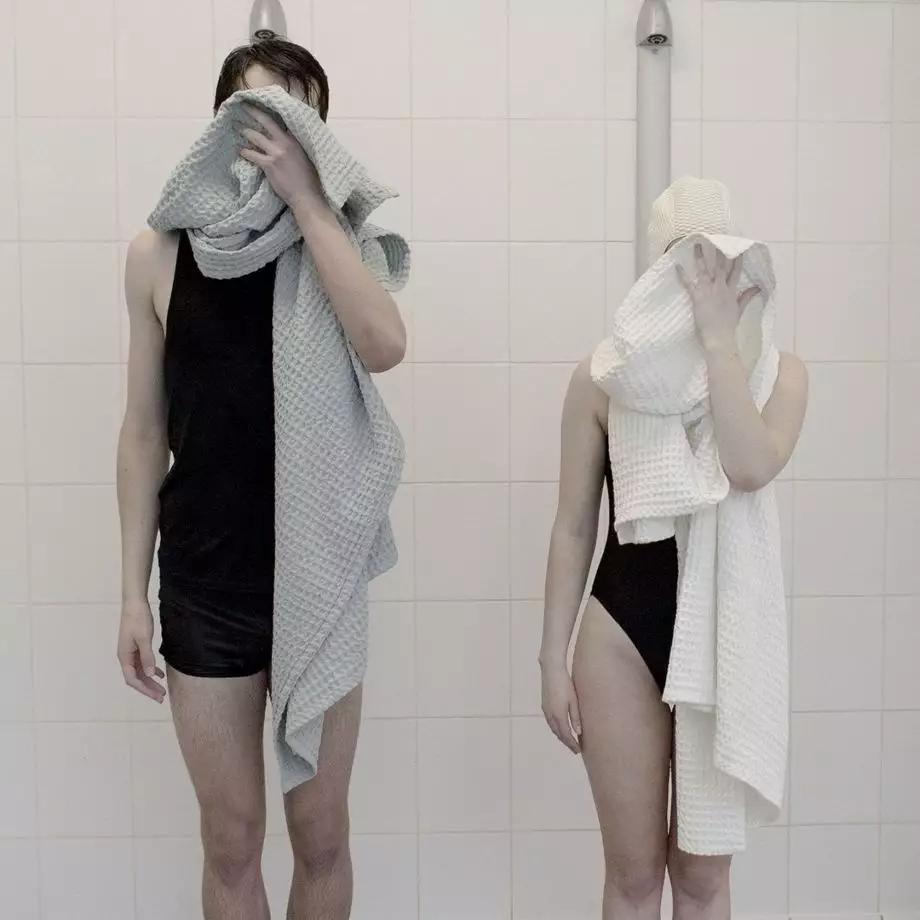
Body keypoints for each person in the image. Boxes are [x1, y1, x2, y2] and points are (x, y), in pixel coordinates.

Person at [115, 37, 406, 920]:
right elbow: (143, 432)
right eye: (259, 108)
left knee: (321, 834)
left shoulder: (337, 241)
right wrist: (131, 594)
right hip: (206, 579)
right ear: (222, 123)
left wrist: (310, 202)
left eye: (299, 111)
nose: (278, 127)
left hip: (319, 575)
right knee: (232, 838)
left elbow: (385, 346)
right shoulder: (160, 253)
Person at [539, 184, 808, 919]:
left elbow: (748, 465)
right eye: (685, 266)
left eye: (717, 262)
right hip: (620, 637)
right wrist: (550, 659)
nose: (700, 282)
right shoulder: (601, 378)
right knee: (633, 878)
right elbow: (572, 526)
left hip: (725, 645)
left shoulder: (780, 374)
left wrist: (720, 342)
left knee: (702, 879)